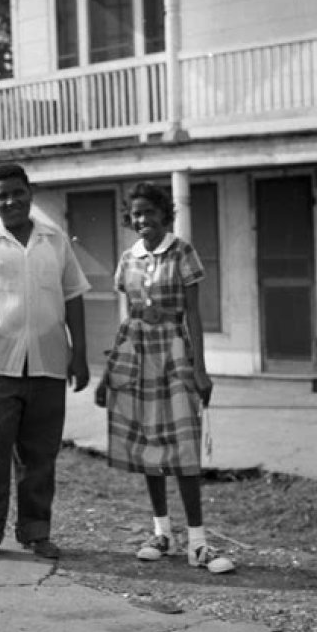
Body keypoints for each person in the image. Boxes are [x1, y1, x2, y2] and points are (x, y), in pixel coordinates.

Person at [95, 182, 235, 573]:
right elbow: (128, 318)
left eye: (150, 212)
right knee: (147, 446)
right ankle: (162, 533)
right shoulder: (129, 258)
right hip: (136, 356)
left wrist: (200, 369)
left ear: (164, 214)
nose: (143, 219)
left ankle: (198, 543)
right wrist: (109, 375)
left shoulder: (182, 252)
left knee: (183, 448)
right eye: (136, 213)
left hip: (174, 354)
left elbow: (194, 314)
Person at [0, 162, 90, 560]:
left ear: (30, 193)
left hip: (48, 362)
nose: (11, 201)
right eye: (2, 196)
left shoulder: (55, 239)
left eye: (18, 192)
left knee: (40, 455)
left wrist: (80, 355)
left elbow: (73, 297)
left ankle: (36, 531)